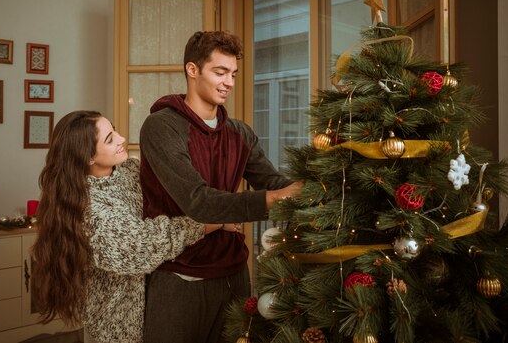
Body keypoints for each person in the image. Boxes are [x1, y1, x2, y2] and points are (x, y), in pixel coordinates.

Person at [140, 30, 303, 343]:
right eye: (220, 72)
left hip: (234, 275)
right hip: (178, 275)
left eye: (233, 73)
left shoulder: (240, 132)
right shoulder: (161, 126)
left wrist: (313, 187)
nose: (229, 82)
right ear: (192, 70)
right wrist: (273, 197)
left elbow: (271, 181)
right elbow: (198, 202)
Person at [30, 110, 241, 343]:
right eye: (110, 139)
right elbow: (143, 245)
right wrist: (213, 221)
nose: (121, 139)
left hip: (149, 304)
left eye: (115, 130)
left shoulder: (128, 170)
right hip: (115, 326)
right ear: (87, 156)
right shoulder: (89, 208)